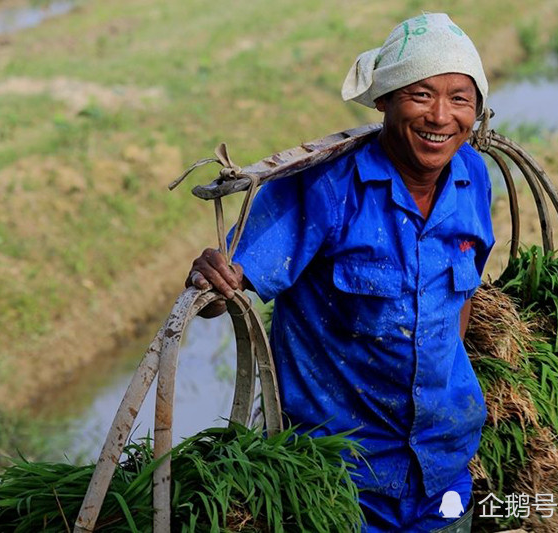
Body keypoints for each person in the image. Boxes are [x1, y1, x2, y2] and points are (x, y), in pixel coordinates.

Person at [187, 13, 495, 532]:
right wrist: (213, 281)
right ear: (385, 101)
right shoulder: (326, 187)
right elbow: (228, 289)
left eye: (460, 99)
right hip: (342, 483)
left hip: (444, 466)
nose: (441, 116)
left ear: (476, 111)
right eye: (420, 96)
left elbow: (460, 296)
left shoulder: (472, 177)